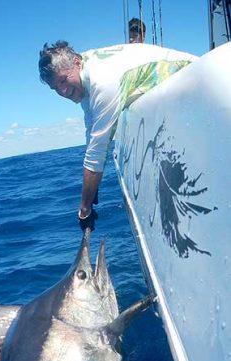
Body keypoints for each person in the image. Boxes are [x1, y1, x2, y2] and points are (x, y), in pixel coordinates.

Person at [38, 41, 197, 229]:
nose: (62, 92)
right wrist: (91, 187)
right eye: (55, 88)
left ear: (77, 64)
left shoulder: (102, 82)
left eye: (63, 80)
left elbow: (98, 152)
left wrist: (84, 209)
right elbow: (92, 135)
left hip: (194, 77)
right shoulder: (84, 75)